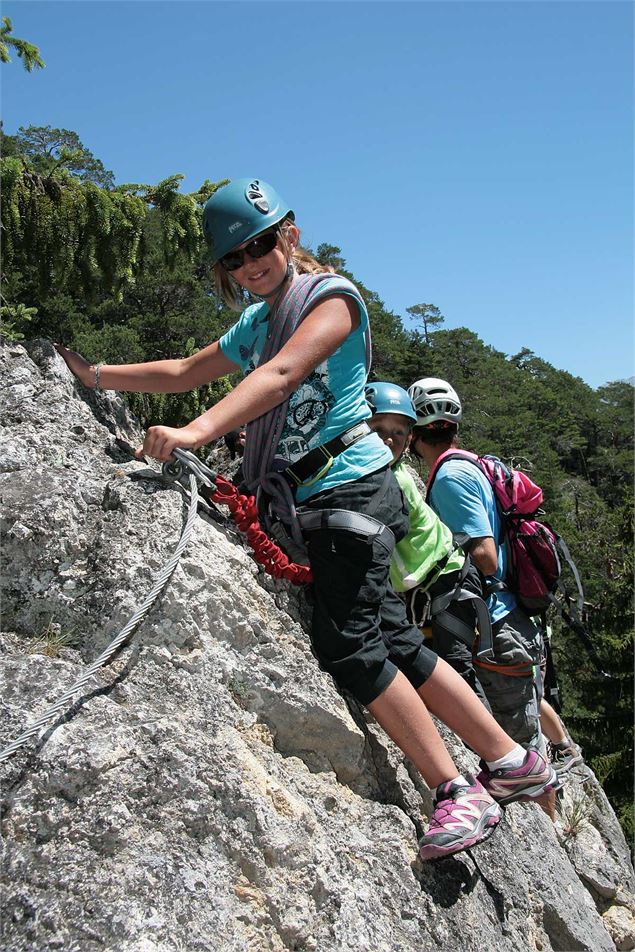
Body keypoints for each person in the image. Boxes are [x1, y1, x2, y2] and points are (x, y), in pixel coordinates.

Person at [57, 178, 556, 860]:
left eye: (260, 244)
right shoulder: (258, 320)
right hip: (323, 498)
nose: (250, 263)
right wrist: (98, 377)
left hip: (347, 491)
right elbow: (182, 367)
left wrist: (197, 431)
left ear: (289, 233)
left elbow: (285, 374)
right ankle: (508, 758)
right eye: (233, 258)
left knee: (351, 648)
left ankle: (453, 790)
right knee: (393, 638)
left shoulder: (330, 299)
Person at [407, 378, 578, 780]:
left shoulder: (450, 477)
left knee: (521, 754)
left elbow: (484, 555)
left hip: (495, 624)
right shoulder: (473, 465)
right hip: (508, 618)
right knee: (522, 736)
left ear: (414, 433)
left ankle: (546, 827)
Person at [365, 382, 492, 709]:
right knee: (447, 665)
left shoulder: (394, 479)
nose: (386, 438)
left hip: (448, 579)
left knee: (457, 667)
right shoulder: (386, 472)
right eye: (377, 429)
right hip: (439, 580)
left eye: (396, 432)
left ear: (410, 438)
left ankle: (486, 751)